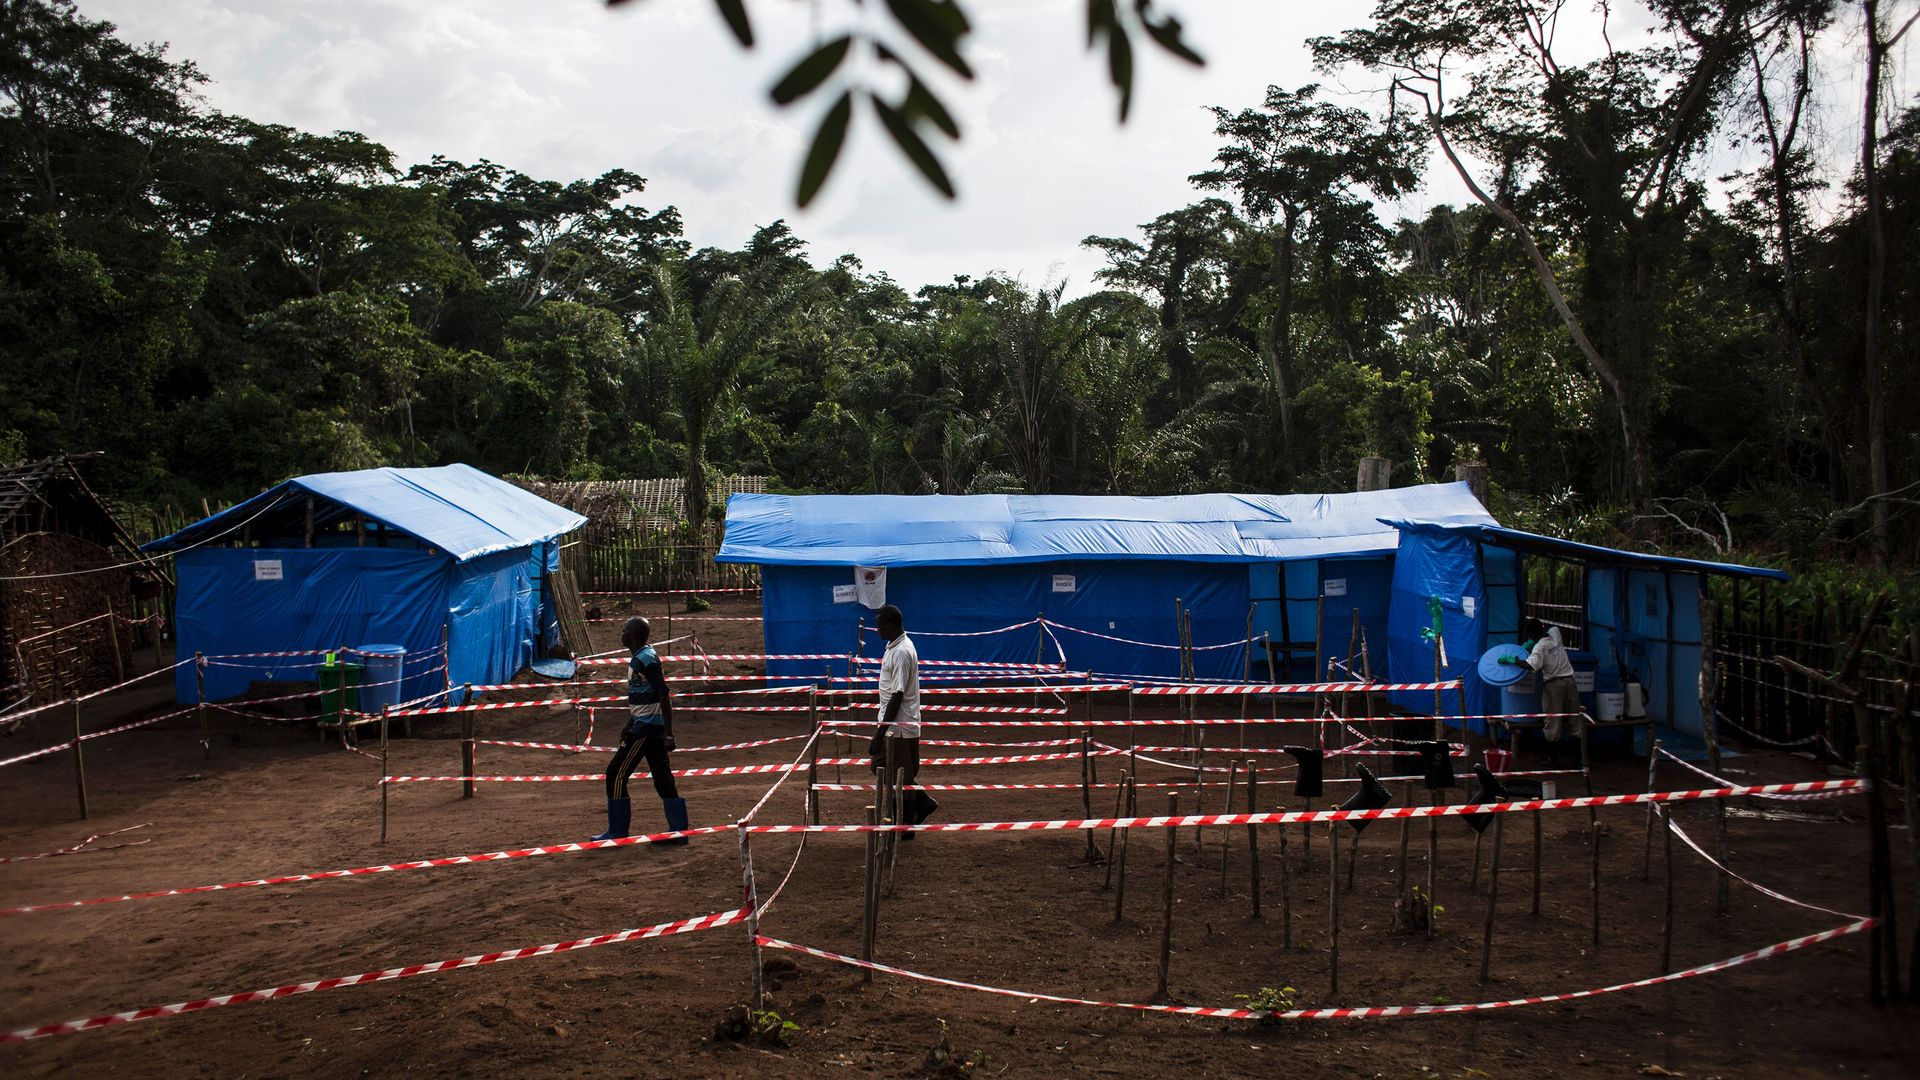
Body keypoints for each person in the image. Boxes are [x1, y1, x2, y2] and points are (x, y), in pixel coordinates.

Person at [592, 617, 690, 844]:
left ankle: (617, 831)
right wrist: (629, 723)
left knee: (616, 772)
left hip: (646, 728)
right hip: (645, 725)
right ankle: (678, 832)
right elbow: (645, 696)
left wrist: (669, 733)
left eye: (625, 629)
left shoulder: (647, 659)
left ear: (634, 635)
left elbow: (663, 694)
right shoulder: (641, 658)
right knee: (662, 777)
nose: (622, 632)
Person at [868, 603, 936, 834]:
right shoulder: (894, 646)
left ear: (891, 625)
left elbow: (897, 695)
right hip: (896, 723)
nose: (876, 630)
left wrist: (880, 732)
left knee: (899, 776)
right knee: (887, 769)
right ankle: (922, 803)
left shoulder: (901, 652)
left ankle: (906, 825)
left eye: (879, 626)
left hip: (899, 725)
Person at [1520, 618, 1580, 760]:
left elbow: (1530, 665)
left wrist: (1513, 660)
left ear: (1531, 635)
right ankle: (1580, 757)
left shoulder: (1539, 648)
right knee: (1575, 717)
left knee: (1553, 720)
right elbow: (1550, 628)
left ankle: (1552, 757)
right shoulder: (1555, 632)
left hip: (1554, 686)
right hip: (1570, 682)